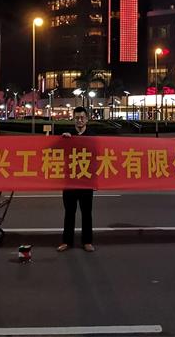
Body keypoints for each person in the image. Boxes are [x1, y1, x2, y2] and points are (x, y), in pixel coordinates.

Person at [58, 106, 95, 252]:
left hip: (86, 181)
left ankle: (87, 241)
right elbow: (57, 153)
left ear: (87, 119)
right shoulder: (67, 135)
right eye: (77, 118)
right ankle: (67, 241)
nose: (79, 120)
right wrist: (63, 141)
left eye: (82, 117)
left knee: (86, 213)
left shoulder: (92, 136)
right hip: (70, 181)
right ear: (73, 119)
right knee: (69, 212)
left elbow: (98, 157)